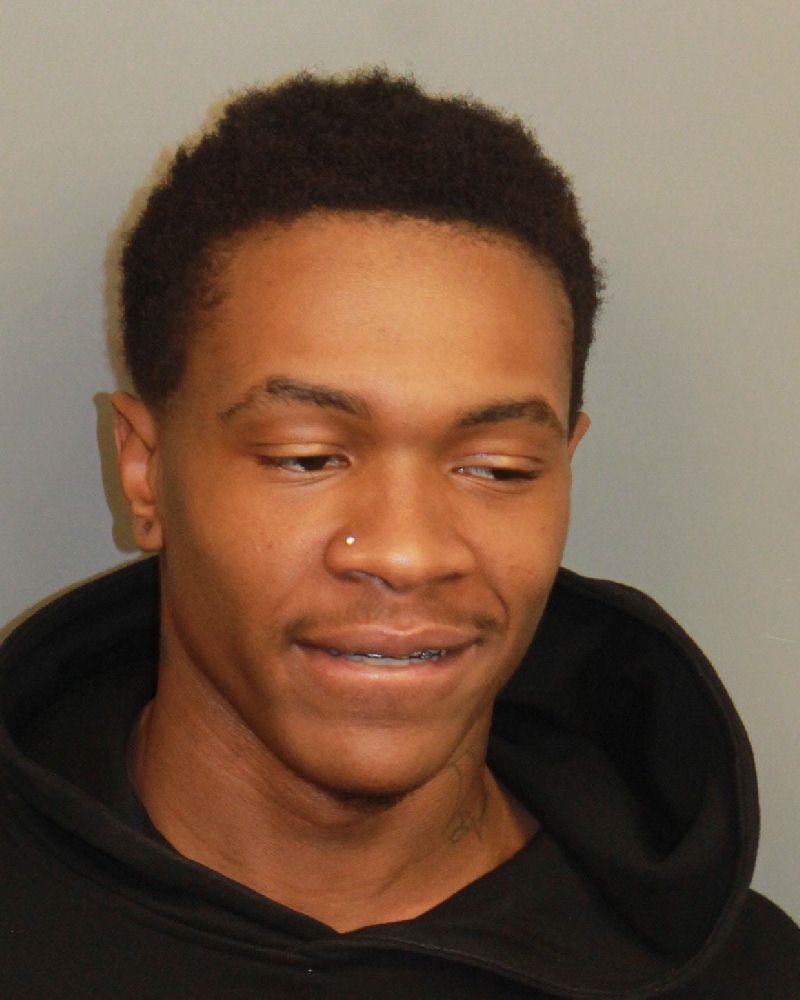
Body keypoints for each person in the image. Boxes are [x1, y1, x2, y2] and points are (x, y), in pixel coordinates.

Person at [0, 68, 797, 999]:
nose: (408, 554)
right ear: (145, 473)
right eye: (307, 457)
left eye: (499, 469)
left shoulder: (746, 977)